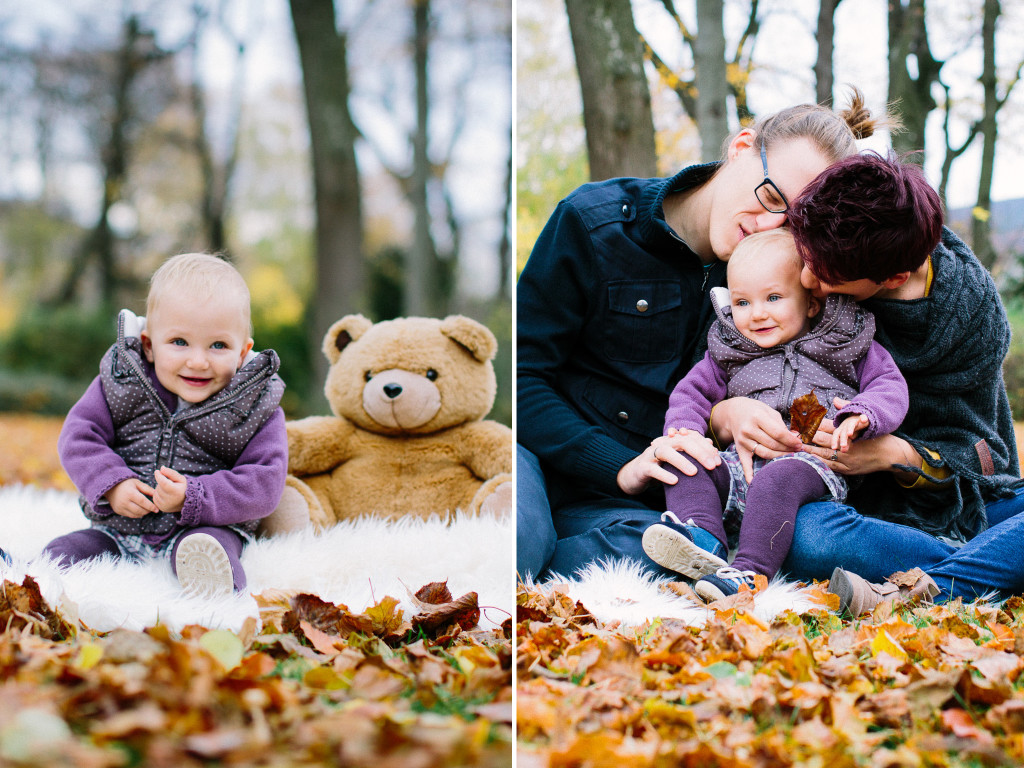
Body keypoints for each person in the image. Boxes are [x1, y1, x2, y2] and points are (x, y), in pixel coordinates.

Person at [517, 88, 881, 581]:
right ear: (741, 148)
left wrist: (724, 415)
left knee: (662, 555)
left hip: (658, 505)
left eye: (792, 222)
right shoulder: (592, 221)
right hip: (549, 464)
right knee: (518, 538)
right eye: (771, 196)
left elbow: (807, 379)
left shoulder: (784, 284)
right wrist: (620, 466)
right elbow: (523, 379)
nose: (768, 224)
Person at [711, 151, 1024, 614]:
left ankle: (933, 586)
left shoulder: (969, 317)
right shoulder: (827, 238)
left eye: (825, 276)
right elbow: (738, 366)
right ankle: (992, 564)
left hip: (958, 504)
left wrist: (894, 455)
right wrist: (725, 413)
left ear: (894, 277)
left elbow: (984, 459)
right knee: (804, 536)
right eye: (805, 257)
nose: (803, 279)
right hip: (847, 510)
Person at [641, 229, 909, 601]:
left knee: (778, 479)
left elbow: (888, 385)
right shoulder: (731, 348)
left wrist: (862, 414)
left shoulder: (842, 342)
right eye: (743, 303)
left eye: (773, 297)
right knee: (683, 461)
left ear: (811, 302)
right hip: (741, 465)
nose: (757, 314)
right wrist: (684, 432)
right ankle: (702, 540)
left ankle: (749, 573)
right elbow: (691, 393)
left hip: (808, 465)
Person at [43, 253, 288, 598]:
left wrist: (195, 497)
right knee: (66, 553)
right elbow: (79, 436)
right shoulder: (122, 382)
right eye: (179, 342)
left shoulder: (255, 405)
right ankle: (41, 581)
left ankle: (213, 590)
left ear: (242, 351)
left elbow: (265, 481)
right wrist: (112, 485)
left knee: (208, 549)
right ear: (149, 345)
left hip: (204, 528)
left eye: (218, 345)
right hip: (118, 528)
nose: (198, 361)